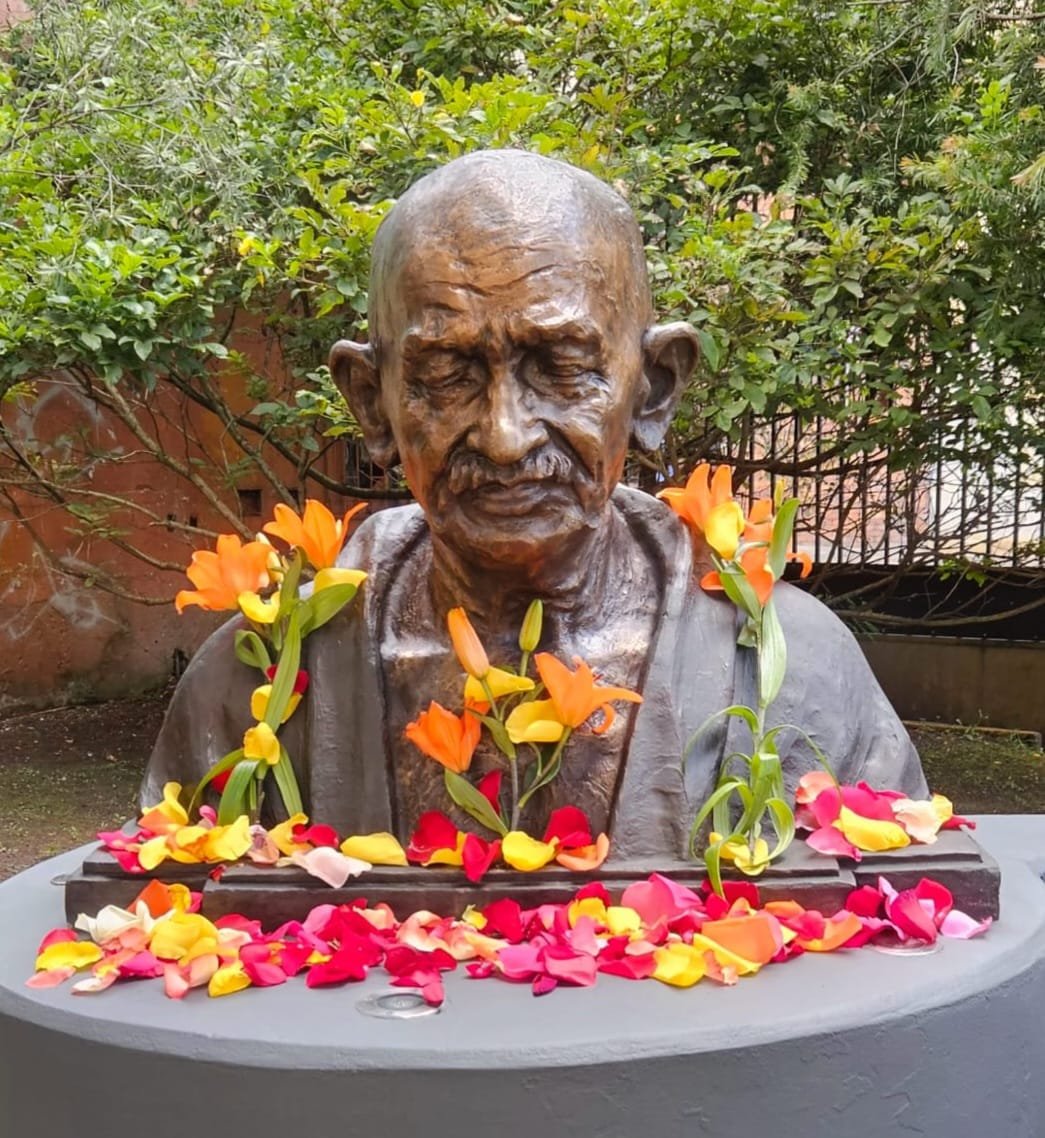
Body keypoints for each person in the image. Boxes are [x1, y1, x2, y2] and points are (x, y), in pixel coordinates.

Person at [143, 150, 926, 859]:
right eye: (446, 373)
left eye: (560, 365)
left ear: (651, 388)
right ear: (372, 404)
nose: (506, 437)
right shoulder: (255, 679)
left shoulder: (792, 669)